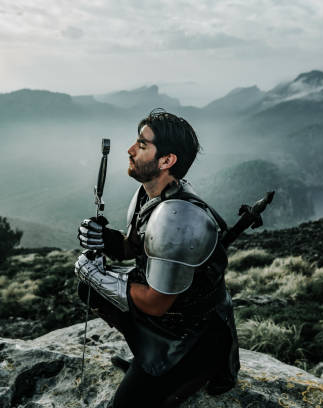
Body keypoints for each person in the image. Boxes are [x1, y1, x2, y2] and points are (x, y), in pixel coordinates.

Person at [75, 109, 239, 407]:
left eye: (142, 145)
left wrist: (98, 276)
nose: (130, 150)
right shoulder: (147, 196)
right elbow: (134, 247)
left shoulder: (178, 217)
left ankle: (182, 372)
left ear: (166, 161)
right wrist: (106, 239)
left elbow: (155, 301)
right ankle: (146, 355)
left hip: (192, 336)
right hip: (169, 319)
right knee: (89, 290)